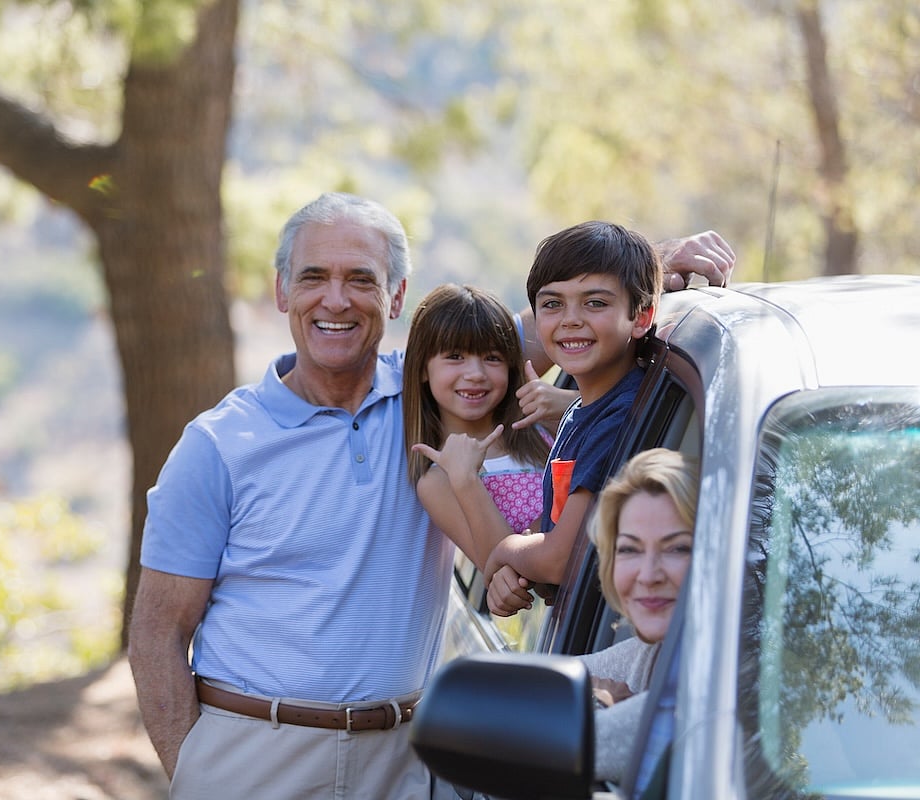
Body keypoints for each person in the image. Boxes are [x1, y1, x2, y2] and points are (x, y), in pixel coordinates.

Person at [128, 192, 734, 800]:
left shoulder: (435, 393)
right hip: (254, 754)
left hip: (404, 759)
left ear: (395, 296)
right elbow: (158, 629)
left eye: (361, 280)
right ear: (283, 291)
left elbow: (573, 319)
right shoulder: (217, 445)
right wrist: (197, 774)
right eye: (314, 277)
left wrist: (662, 257)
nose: (335, 299)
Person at [486, 220, 665, 614]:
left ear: (641, 316)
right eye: (552, 304)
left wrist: (504, 550)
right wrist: (524, 558)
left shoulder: (618, 419)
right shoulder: (583, 410)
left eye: (595, 303)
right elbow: (556, 527)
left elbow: (560, 559)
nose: (570, 319)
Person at [404, 283, 552, 573]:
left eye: (492, 358)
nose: (475, 374)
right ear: (422, 368)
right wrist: (465, 480)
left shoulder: (542, 427)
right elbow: (500, 571)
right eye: (455, 357)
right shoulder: (438, 481)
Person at [578, 447, 698, 784]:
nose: (648, 575)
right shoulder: (655, 653)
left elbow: (559, 747)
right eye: (630, 549)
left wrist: (599, 706)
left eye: (677, 548)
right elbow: (534, 684)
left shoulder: (710, 691)